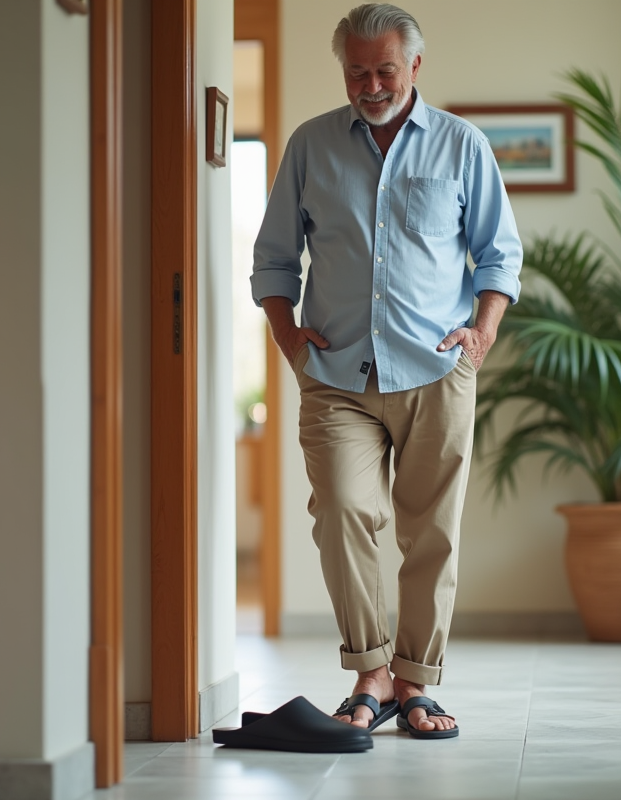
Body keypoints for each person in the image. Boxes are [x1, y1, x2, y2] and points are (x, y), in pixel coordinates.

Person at [250, 2, 521, 739]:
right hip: (335, 371)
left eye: (385, 71)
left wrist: (482, 333)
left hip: (436, 369)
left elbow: (499, 254)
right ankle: (369, 672)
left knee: (432, 530)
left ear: (414, 66)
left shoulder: (462, 144)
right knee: (342, 511)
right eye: (357, 72)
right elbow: (274, 258)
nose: (371, 86)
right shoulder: (310, 145)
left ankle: (416, 683)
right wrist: (290, 340)